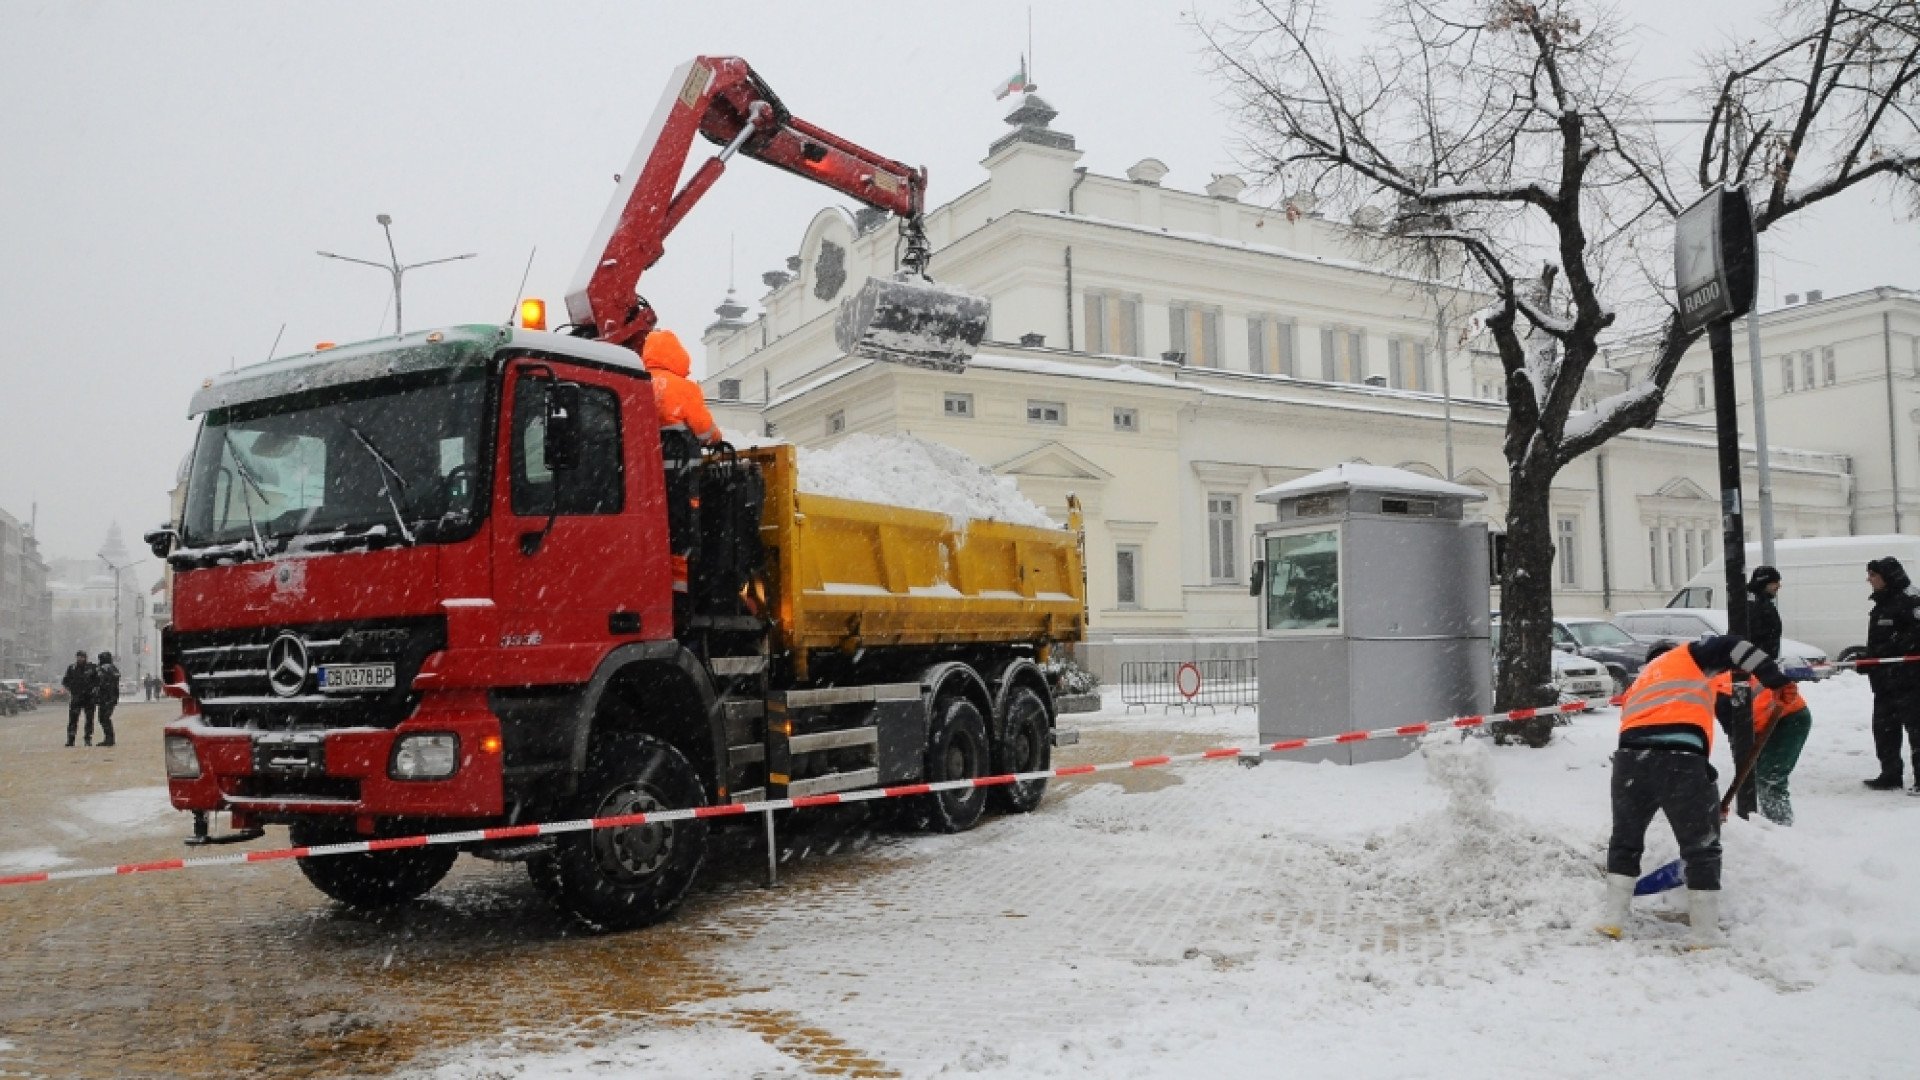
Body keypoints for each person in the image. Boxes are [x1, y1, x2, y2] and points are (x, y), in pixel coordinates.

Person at [1598, 635, 1792, 947]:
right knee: (1701, 848)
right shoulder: (1687, 656)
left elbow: (1659, 730)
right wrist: (1775, 679)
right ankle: (1704, 934)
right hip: (1680, 760)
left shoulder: (1641, 683)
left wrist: (1707, 794)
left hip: (1630, 763)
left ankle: (1612, 919)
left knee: (1625, 840)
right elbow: (1736, 647)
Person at [1862, 556, 1920, 792]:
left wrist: (1889, 650)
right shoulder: (1882, 603)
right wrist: (1869, 659)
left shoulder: (1910, 601)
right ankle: (1890, 773)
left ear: (1887, 577)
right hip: (1884, 681)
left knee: (1916, 730)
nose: (1869, 580)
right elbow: (1879, 640)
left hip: (1910, 680)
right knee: (1884, 728)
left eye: (1873, 575)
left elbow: (1915, 637)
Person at [640, 329, 722, 445]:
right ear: (677, 354)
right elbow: (704, 430)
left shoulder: (636, 383)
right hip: (678, 458)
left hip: (641, 457)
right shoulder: (685, 388)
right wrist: (716, 437)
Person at [61, 650, 96, 748]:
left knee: (89, 719)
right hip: (76, 697)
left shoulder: (91, 668)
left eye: (82, 657)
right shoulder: (72, 668)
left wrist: (92, 689)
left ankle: (87, 738)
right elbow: (65, 680)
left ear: (86, 658)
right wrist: (72, 687)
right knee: (73, 719)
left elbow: (97, 680)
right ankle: (71, 739)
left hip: (89, 698)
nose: (80, 659)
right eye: (78, 657)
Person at [93, 651, 120, 748]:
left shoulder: (105, 669)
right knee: (104, 718)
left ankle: (109, 739)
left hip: (106, 697)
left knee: (104, 718)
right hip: (108, 697)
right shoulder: (111, 668)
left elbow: (102, 682)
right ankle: (109, 738)